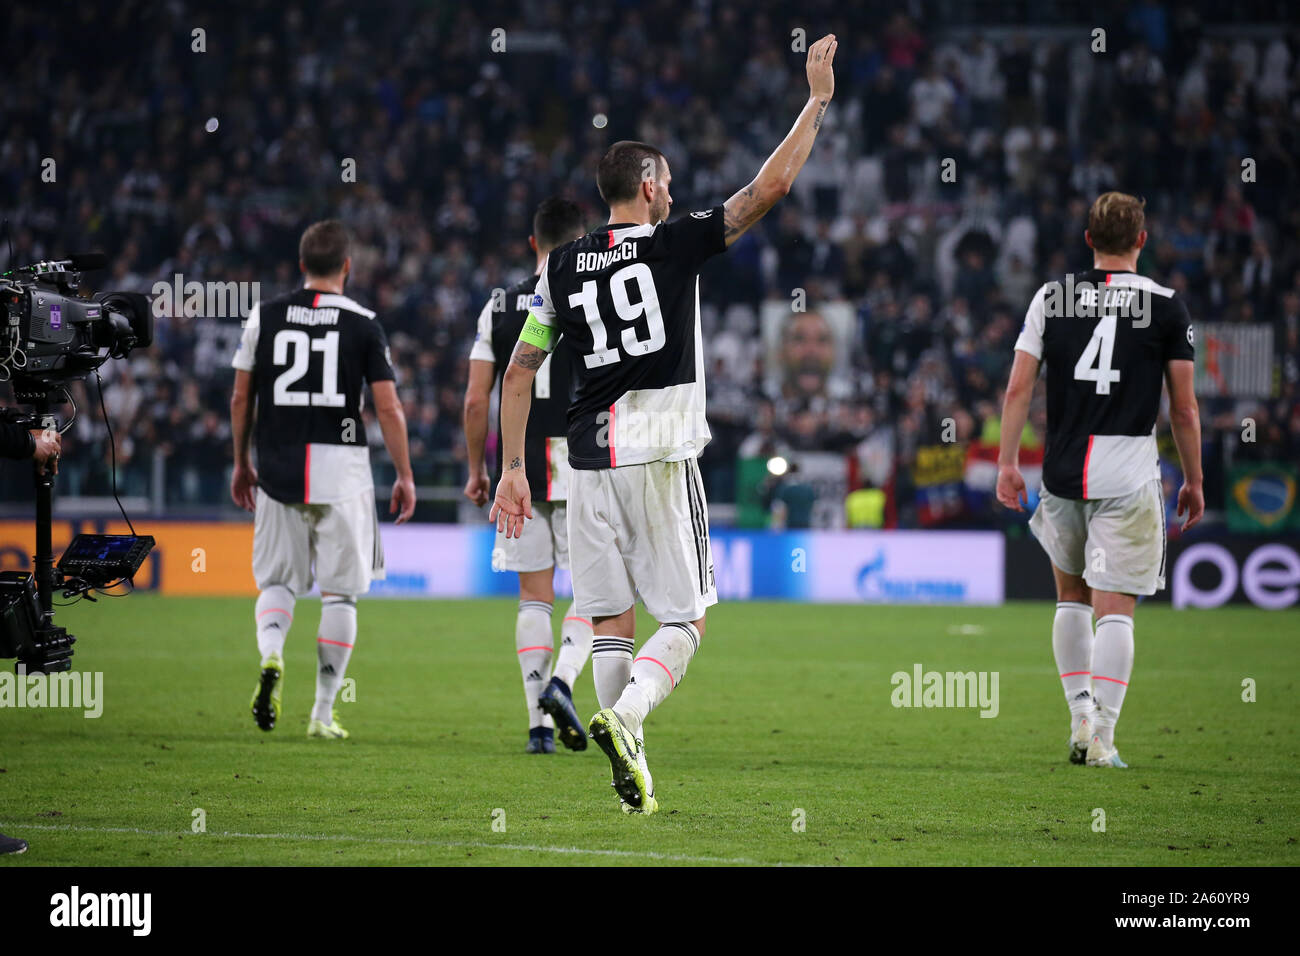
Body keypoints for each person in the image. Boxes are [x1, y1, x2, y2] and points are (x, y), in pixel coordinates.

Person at [491, 35, 838, 812]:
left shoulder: (560, 266)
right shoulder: (676, 242)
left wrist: (514, 467)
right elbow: (769, 187)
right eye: (669, 182)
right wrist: (815, 101)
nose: (675, 194)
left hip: (582, 461)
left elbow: (519, 370)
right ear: (647, 185)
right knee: (685, 620)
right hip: (658, 448)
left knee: (611, 622)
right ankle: (625, 715)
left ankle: (631, 785)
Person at [996, 191, 1203, 768]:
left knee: (1071, 598)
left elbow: (1018, 388)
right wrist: (1194, 478)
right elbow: (1184, 410)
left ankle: (1079, 711)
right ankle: (1103, 736)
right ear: (1142, 240)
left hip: (1062, 469)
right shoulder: (1166, 306)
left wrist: (1008, 462)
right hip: (1129, 471)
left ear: (1088, 240)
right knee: (1116, 608)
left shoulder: (1053, 297)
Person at [230, 220, 416, 739]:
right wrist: (403, 473)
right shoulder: (363, 323)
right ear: (348, 267)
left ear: (300, 265)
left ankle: (272, 656)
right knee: (339, 596)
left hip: (278, 464)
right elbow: (388, 406)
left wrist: (242, 461)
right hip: (342, 471)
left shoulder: (263, 317)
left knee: (277, 582)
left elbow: (242, 397)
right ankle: (321, 713)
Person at [463, 198, 593, 754]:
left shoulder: (498, 305)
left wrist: (477, 468)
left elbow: (476, 399)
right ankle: (563, 683)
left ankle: (538, 725)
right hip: (585, 459)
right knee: (595, 595)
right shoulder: (594, 289)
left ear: (531, 244)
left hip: (519, 465)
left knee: (533, 599)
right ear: (581, 239)